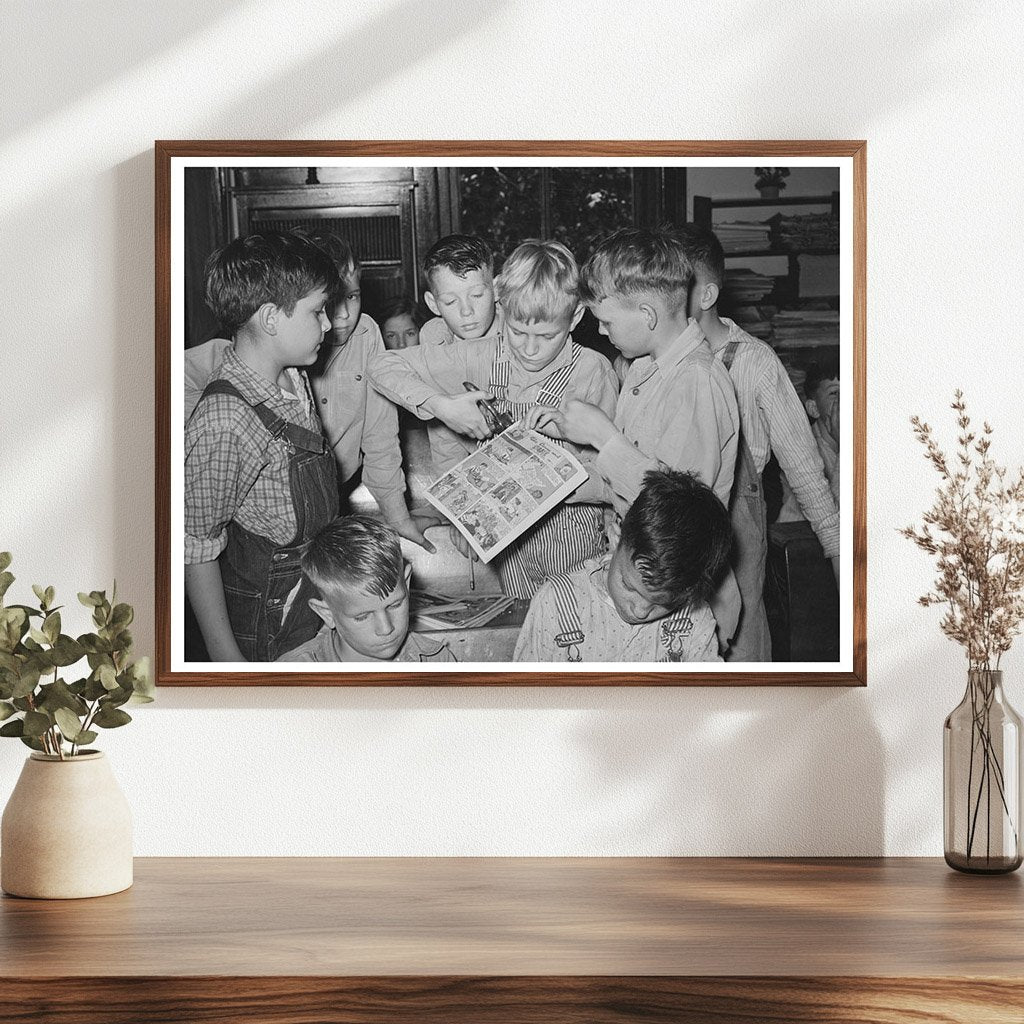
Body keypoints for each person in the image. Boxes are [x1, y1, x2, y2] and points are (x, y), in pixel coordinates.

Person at [525, 228, 741, 648]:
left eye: (606, 322)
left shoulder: (696, 382)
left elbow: (680, 512)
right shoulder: (644, 367)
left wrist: (604, 437)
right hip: (634, 570)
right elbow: (625, 485)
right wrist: (555, 479)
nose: (602, 333)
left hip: (668, 593)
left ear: (648, 315)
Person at [370, 239, 619, 599]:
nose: (530, 349)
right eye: (518, 333)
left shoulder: (593, 371)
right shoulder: (482, 354)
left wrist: (557, 481)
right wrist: (441, 405)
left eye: (547, 336)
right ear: (504, 308)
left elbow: (614, 475)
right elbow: (382, 366)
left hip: (573, 534)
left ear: (576, 317)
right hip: (509, 546)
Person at [185, 235, 439, 554]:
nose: (341, 317)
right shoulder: (270, 352)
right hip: (264, 527)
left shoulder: (365, 333)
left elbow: (380, 437)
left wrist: (398, 517)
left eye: (354, 296)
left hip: (330, 502)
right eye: (327, 304)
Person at [676, 224, 840, 662]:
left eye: (673, 284)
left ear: (706, 296)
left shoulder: (754, 363)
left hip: (736, 539)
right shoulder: (650, 361)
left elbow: (805, 470)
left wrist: (839, 553)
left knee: (743, 667)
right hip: (674, 539)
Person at [184, 230, 339, 662]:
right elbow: (195, 545)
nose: (328, 324)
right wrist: (224, 654)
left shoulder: (294, 376)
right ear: (271, 319)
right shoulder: (225, 421)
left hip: (310, 593)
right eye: (318, 311)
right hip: (263, 623)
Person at [514, 469, 731, 662]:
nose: (639, 611)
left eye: (662, 603)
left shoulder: (694, 619)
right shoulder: (556, 604)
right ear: (615, 537)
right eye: (629, 586)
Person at [280, 514, 455, 663]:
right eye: (362, 617)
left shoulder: (438, 660)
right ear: (327, 614)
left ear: (406, 583)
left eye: (394, 605)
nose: (386, 628)